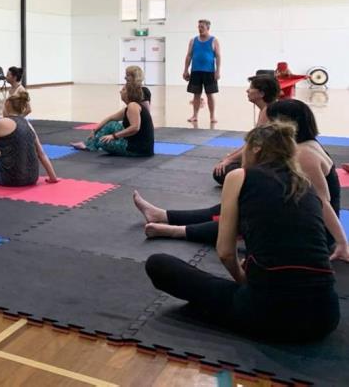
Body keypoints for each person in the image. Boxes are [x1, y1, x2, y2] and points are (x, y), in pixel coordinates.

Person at [145, 122, 341, 343]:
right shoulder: (304, 183)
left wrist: (242, 279)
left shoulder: (240, 176)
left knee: (158, 264)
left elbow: (226, 253)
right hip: (326, 316)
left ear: (256, 148)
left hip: (270, 314)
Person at [133, 100, 349, 259]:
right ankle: (163, 216)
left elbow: (323, 202)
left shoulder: (305, 154)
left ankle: (175, 230)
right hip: (303, 218)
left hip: (316, 233)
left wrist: (340, 242)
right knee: (232, 206)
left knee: (245, 217)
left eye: (267, 120)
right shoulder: (304, 145)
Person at [212, 75, 280, 185]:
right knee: (225, 165)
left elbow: (254, 145)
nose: (247, 91)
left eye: (251, 88)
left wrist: (230, 159)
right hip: (266, 160)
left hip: (271, 164)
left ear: (261, 94)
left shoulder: (268, 111)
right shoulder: (268, 109)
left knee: (221, 172)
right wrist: (230, 158)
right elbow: (250, 143)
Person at [71, 83, 154, 157]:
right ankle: (89, 145)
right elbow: (110, 118)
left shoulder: (133, 106)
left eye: (123, 90)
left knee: (102, 142)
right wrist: (95, 130)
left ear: (129, 93)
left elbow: (135, 128)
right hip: (136, 142)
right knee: (112, 124)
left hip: (139, 150)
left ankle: (91, 145)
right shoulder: (131, 106)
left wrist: (114, 136)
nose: (120, 92)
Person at [183, 19, 221, 124]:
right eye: (199, 27)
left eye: (202, 27)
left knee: (210, 94)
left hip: (209, 72)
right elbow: (189, 56)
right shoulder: (193, 40)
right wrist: (185, 70)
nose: (200, 29)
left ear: (208, 28)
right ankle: (194, 115)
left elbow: (218, 56)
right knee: (196, 95)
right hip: (196, 71)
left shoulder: (214, 40)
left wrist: (218, 71)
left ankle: (212, 116)